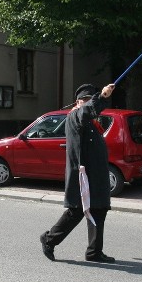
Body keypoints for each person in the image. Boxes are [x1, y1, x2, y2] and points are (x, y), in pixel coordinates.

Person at [40, 83, 116, 263]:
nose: (89, 103)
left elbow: (93, 111)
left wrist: (102, 99)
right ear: (78, 102)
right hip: (82, 175)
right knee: (76, 211)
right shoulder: (76, 115)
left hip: (95, 175)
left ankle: (94, 252)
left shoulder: (89, 119)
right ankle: (49, 239)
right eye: (86, 100)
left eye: (91, 99)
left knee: (99, 209)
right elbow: (88, 110)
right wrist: (102, 95)